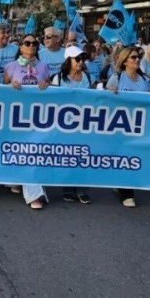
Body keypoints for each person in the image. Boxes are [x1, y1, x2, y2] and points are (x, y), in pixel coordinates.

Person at [2, 33, 52, 209]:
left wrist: (46, 85)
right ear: (21, 47)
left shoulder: (44, 67)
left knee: (32, 151)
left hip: (37, 117)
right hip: (16, 116)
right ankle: (16, 180)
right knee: (18, 150)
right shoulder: (11, 66)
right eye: (27, 43)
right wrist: (10, 86)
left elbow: (50, 89)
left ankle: (34, 194)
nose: (31, 45)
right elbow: (1, 89)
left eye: (34, 43)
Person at [105, 47, 150, 208]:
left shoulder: (144, 80)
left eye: (138, 57)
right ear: (125, 61)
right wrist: (110, 93)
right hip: (121, 124)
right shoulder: (116, 78)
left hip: (139, 124)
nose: (137, 60)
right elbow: (106, 100)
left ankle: (120, 183)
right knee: (125, 156)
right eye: (133, 57)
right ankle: (127, 193)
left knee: (134, 156)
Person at [51, 46, 94, 204]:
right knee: (68, 156)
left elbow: (96, 96)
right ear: (68, 60)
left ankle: (82, 189)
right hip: (64, 125)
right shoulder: (58, 79)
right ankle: (68, 189)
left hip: (84, 123)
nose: (81, 62)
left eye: (83, 59)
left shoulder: (88, 77)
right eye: (77, 59)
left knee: (83, 156)